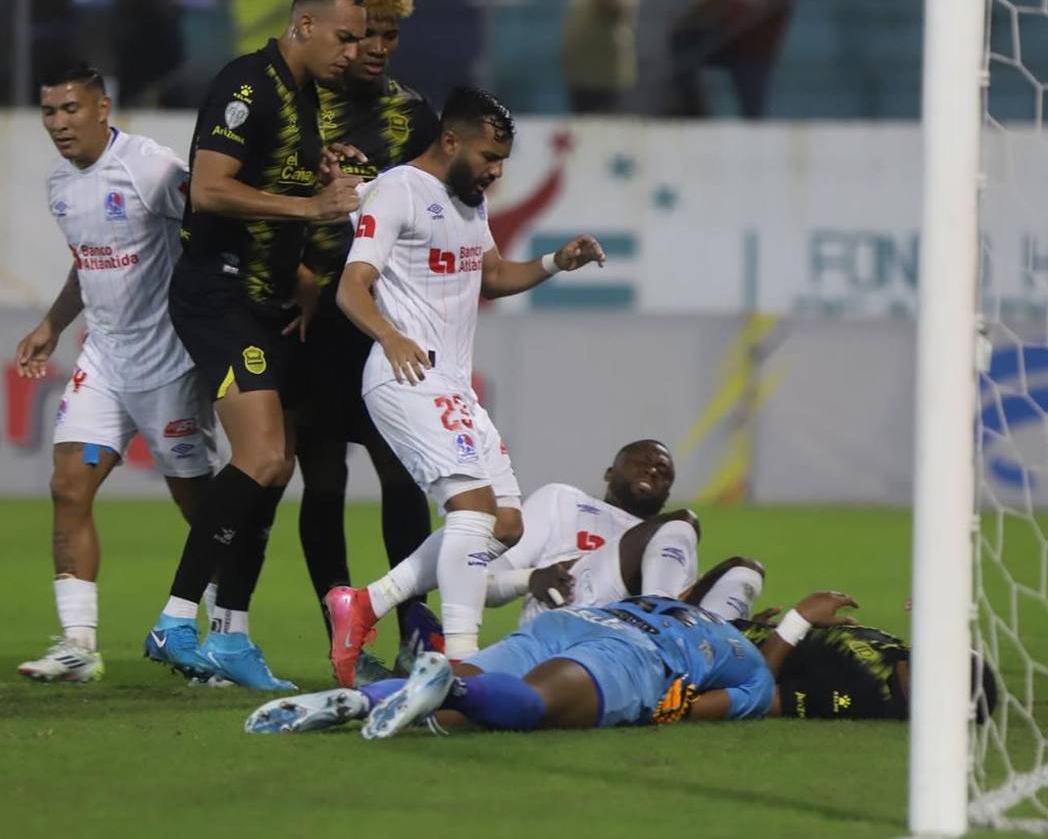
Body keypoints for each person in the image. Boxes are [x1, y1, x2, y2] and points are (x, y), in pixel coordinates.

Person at [326, 86, 606, 686]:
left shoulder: (469, 201)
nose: (496, 171)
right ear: (450, 140)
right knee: (472, 512)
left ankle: (364, 605)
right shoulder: (399, 189)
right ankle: (459, 663)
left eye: (503, 160)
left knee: (507, 525)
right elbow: (351, 285)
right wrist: (389, 335)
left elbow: (496, 276)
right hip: (405, 375)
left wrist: (558, 262)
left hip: (451, 384)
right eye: (488, 157)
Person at [143, 0, 366, 691]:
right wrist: (307, 204)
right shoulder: (250, 85)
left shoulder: (302, 98)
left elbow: (282, 181)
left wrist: (320, 183)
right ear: (304, 25)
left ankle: (231, 632)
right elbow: (209, 188)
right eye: (345, 36)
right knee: (264, 454)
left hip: (266, 299)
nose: (354, 50)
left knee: (275, 465)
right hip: (221, 293)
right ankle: (176, 619)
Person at [15, 64, 216, 683]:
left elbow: (213, 224)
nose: (59, 124)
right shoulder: (59, 185)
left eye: (71, 110)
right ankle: (78, 644)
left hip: (169, 361)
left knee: (203, 508)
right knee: (68, 486)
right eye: (50, 112)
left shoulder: (149, 168)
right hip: (104, 356)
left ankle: (226, 634)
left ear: (103, 107)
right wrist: (52, 324)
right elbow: (89, 263)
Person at [294, 0, 439, 677]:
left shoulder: (413, 117)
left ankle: (414, 622)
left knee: (401, 474)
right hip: (311, 317)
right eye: (367, 34)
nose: (378, 47)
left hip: (382, 317)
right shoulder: (295, 105)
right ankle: (340, 624)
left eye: (391, 35)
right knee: (322, 482)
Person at [345, 440, 767, 676]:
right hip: (569, 619)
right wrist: (530, 578)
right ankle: (674, 649)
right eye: (642, 461)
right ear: (609, 472)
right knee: (683, 525)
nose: (654, 470)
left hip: (625, 641)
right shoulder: (563, 500)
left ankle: (728, 642)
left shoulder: (669, 544)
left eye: (664, 472)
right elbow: (484, 583)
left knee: (746, 571)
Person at [245, 590, 859, 737]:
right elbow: (695, 707)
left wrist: (795, 619)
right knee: (533, 706)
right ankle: (447, 689)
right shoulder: (750, 668)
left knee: (453, 713)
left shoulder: (686, 606)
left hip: (571, 625)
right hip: (628, 656)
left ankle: (360, 703)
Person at [668, 0, 818, 119]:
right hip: (728, 36)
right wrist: (696, 17)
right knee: (684, 42)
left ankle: (753, 136)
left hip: (758, 45)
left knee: (752, 108)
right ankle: (693, 110)